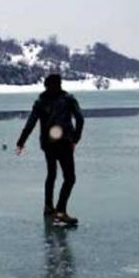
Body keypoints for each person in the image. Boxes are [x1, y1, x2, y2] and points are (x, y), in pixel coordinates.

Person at [16, 74, 84, 225]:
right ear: (60, 84)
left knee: (51, 173)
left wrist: (21, 142)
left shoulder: (40, 102)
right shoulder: (68, 100)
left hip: (48, 144)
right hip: (64, 143)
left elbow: (30, 123)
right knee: (69, 178)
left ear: (45, 86)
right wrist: (75, 139)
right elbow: (80, 119)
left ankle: (48, 207)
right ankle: (60, 211)